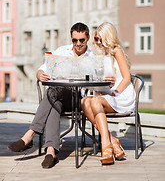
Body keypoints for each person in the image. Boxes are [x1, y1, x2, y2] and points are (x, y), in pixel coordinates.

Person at [7, 22, 115, 169]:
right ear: (71, 38)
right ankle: (51, 151)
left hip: (80, 100)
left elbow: (99, 84)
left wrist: (106, 80)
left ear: (88, 38)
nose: (78, 44)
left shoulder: (94, 56)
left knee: (53, 91)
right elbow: (43, 69)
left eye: (82, 40)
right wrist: (40, 74)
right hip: (59, 97)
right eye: (74, 40)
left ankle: (31, 134)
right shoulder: (62, 51)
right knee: (54, 102)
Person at [81, 22, 136, 165]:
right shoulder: (103, 55)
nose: (98, 42)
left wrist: (115, 92)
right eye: (96, 39)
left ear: (108, 38)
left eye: (100, 39)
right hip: (109, 94)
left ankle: (106, 146)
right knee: (84, 101)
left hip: (121, 95)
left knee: (95, 101)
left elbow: (126, 78)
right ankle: (113, 140)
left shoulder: (116, 50)